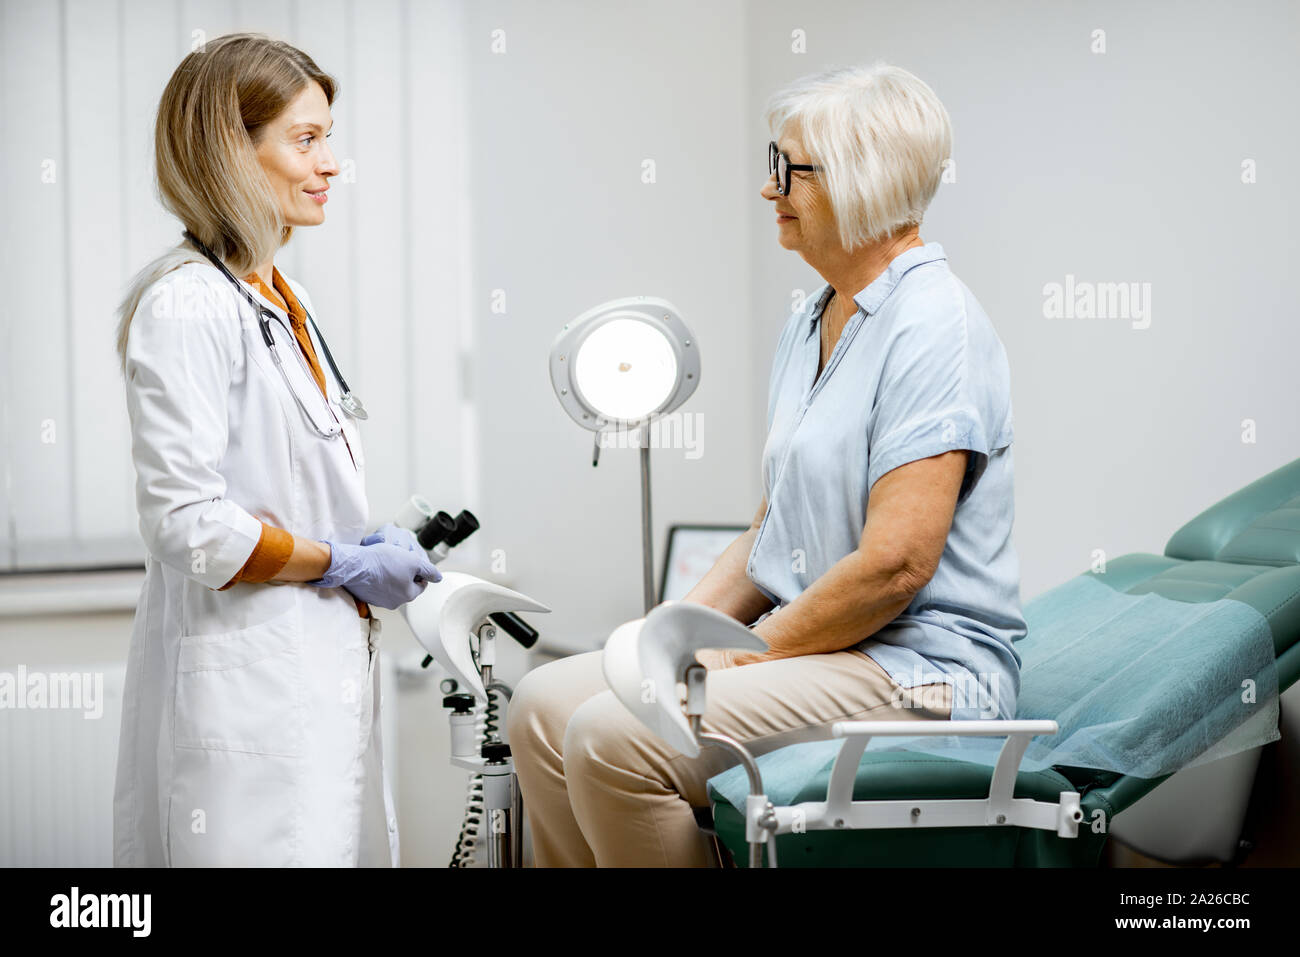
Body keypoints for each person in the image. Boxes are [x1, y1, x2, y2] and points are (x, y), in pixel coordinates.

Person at [506, 62, 1027, 867]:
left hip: (920, 675)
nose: (767, 188)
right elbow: (770, 529)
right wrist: (665, 638)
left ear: (862, 179)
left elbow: (896, 564)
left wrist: (742, 651)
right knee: (542, 705)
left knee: (617, 737)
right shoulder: (814, 317)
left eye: (788, 170)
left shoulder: (935, 327)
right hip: (827, 652)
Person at [112, 33, 439, 867]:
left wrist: (351, 548)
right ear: (231, 151)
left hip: (307, 672)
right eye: (306, 139)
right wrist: (336, 560)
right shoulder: (188, 305)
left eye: (328, 136)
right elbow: (188, 523)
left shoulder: (272, 293)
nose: (332, 163)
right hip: (250, 692)